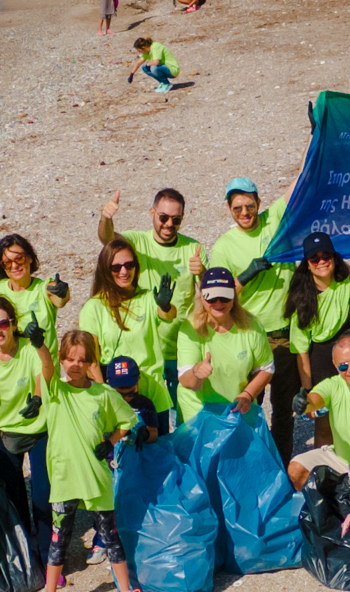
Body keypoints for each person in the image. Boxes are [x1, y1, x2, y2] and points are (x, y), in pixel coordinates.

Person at [34, 331, 144, 592]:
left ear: (92, 362)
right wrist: (40, 345)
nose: (75, 365)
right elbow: (44, 365)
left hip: (96, 477)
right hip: (64, 477)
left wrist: (111, 440)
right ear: (61, 359)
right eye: (69, 358)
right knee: (59, 541)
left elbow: (128, 420)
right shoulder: (55, 389)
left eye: (83, 360)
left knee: (111, 538)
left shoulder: (105, 393)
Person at [206, 177, 295, 450]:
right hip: (249, 334)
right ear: (228, 209)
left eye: (249, 206)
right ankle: (246, 461)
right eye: (237, 208)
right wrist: (246, 276)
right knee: (246, 403)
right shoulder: (224, 246)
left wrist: (317, 134)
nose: (244, 213)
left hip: (284, 331)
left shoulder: (274, 220)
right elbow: (215, 296)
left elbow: (301, 179)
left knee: (284, 406)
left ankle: (280, 461)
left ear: (259, 202)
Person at [99, 186, 203, 405]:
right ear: (152, 213)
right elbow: (108, 240)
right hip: (145, 352)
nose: (169, 225)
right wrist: (106, 218)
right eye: (163, 217)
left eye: (176, 220)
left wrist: (201, 272)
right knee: (146, 416)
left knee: (182, 414)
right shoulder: (137, 242)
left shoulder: (193, 248)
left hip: (180, 349)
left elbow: (207, 296)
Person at [0, 295, 56, 546]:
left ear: (13, 323)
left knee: (42, 495)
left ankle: (46, 553)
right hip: (3, 433)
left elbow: (46, 372)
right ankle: (24, 555)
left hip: (37, 430)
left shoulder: (29, 349)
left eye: (3, 323)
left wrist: (38, 398)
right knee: (11, 495)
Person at [82, 240, 177, 433]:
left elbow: (168, 316)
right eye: (116, 267)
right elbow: (91, 360)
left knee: (157, 457)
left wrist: (166, 305)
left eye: (129, 265)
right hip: (117, 395)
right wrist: (105, 396)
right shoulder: (94, 307)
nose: (124, 271)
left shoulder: (148, 297)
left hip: (152, 394)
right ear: (105, 270)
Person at [285, 231, 350, 407]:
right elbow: (301, 350)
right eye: (314, 258)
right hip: (323, 363)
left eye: (326, 255)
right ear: (307, 264)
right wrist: (308, 391)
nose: (321, 261)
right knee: (327, 422)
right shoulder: (301, 298)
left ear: (334, 256)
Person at [175, 268, 274, 424]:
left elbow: (266, 368)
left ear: (234, 296)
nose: (218, 303)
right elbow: (187, 381)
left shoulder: (251, 326)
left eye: (224, 297)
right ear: (201, 296)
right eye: (211, 299)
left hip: (237, 409)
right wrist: (196, 373)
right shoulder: (190, 328)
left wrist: (247, 395)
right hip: (199, 413)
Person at [288, 336, 350, 492]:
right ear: (335, 365)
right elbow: (315, 400)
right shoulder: (333, 385)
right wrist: (304, 403)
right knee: (296, 469)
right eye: (343, 366)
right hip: (340, 461)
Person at [0, 232, 69, 346]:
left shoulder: (42, 289)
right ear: (2, 266)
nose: (14, 266)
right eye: (7, 263)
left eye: (19, 259)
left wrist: (63, 291)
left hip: (44, 362)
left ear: (29, 258)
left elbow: (61, 300)